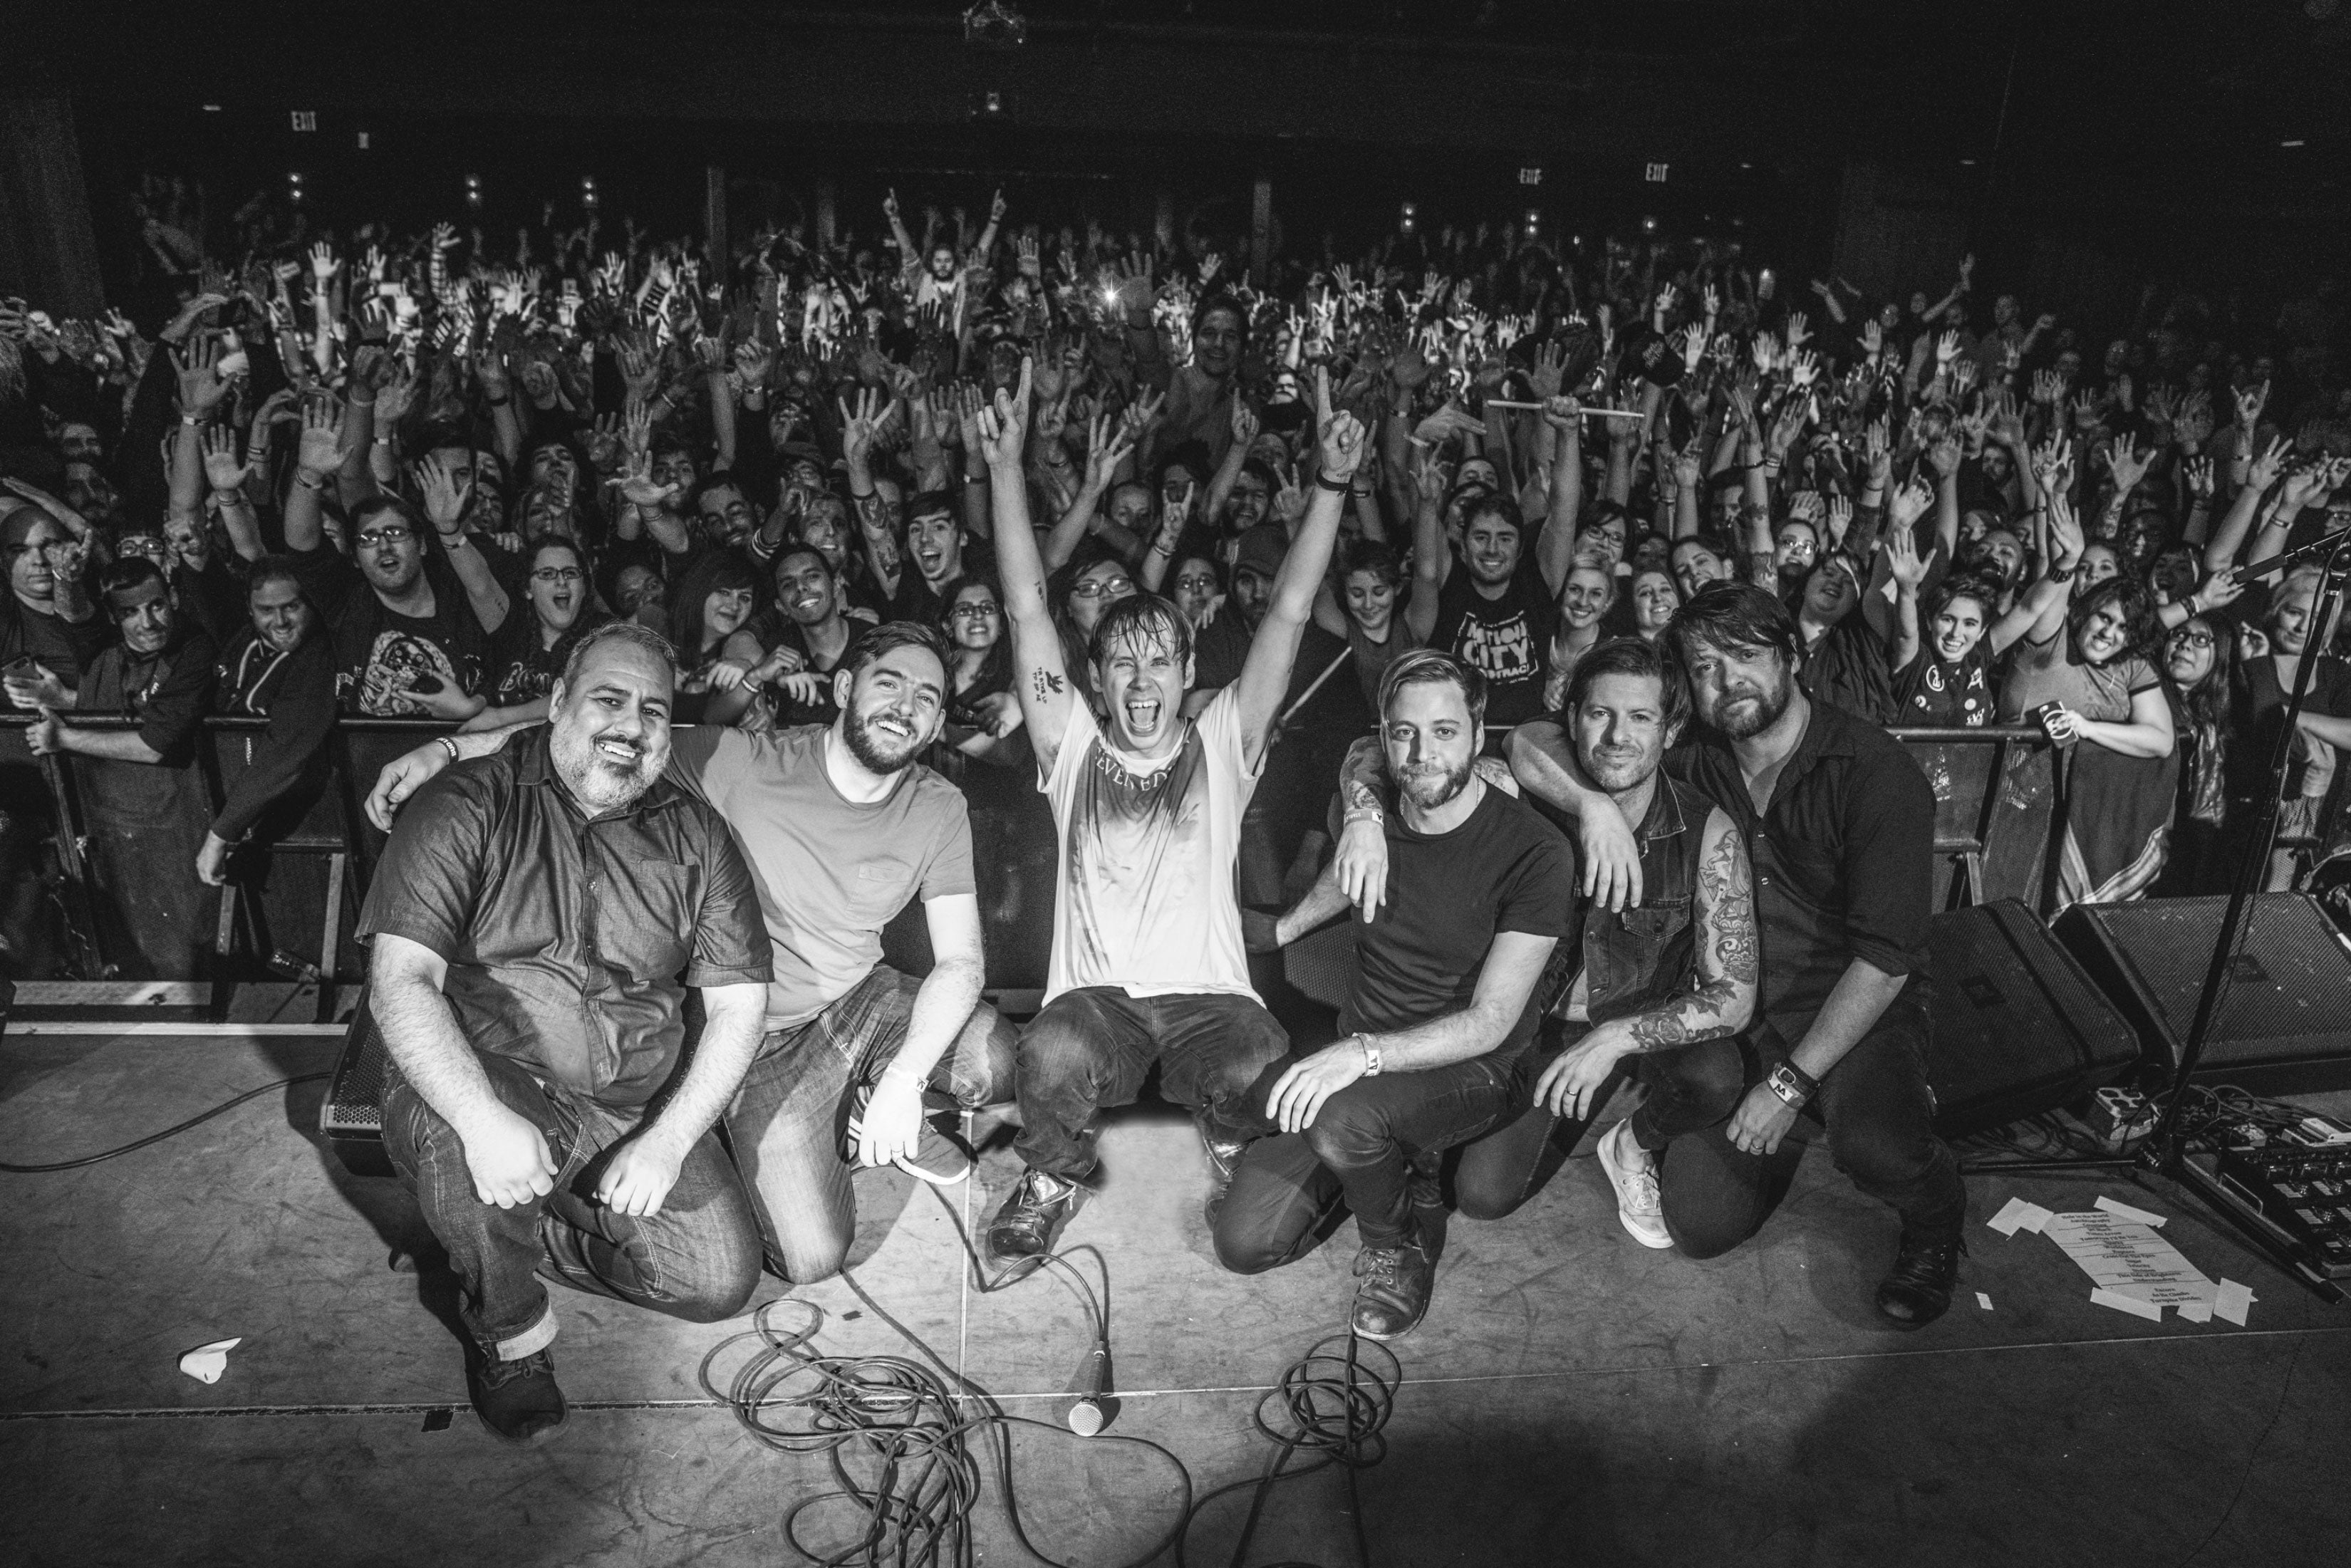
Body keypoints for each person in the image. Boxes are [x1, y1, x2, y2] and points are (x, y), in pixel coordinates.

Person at [370, 621, 1018, 1287]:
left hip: (858, 998)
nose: (905, 706)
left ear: (938, 722)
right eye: (890, 684)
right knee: (811, 1257)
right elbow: (602, 730)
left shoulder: (940, 805)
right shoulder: (736, 760)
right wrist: (447, 750)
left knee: (996, 1058)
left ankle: (865, 1098)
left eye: (926, 698)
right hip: (758, 1031)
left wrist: (906, 1080)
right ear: (846, 687)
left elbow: (961, 961)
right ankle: (540, 1234)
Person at [975, 358, 1361, 1262]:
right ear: (1098, 677)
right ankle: (1055, 1170)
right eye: (1123, 662)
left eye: (1160, 661)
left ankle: (1228, 1132)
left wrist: (1333, 483)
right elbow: (1027, 608)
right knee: (1050, 1051)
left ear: (1189, 671)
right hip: (1098, 1002)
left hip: (1207, 1001)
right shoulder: (1072, 748)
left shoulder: (1222, 743)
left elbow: (1289, 611)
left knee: (1257, 1050)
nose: (1142, 680)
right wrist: (1004, 469)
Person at [1508, 583, 1965, 1329]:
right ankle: (1736, 1127)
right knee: (1700, 1226)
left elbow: (1885, 962)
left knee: (1875, 1145)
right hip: (1738, 1008)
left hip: (1853, 1004)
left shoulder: (1876, 773)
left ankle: (1937, 1220)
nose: (1727, 680)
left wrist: (1789, 1086)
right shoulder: (1698, 752)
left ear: (1792, 655)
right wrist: (1591, 805)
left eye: (1746, 656)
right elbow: (1529, 739)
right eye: (1704, 666)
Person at [360, 621, 774, 1440]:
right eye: (608, 699)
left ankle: (503, 1230)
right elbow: (400, 981)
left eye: (653, 710)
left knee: (719, 1279)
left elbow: (740, 1006)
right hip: (488, 1080)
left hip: (622, 1105)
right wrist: (483, 1119)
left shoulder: (699, 835)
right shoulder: (466, 801)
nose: (632, 725)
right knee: (461, 1133)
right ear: (555, 704)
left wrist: (668, 1140)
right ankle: (508, 1331)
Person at [1212, 650, 1573, 1338]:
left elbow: (1492, 1021)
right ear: (1385, 734)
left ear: (1478, 731)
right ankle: (1387, 1163)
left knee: (1340, 1119)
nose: (1423, 752)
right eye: (1405, 732)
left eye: (1445, 731)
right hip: (1368, 1057)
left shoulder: (1535, 850)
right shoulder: (1373, 818)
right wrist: (1288, 924)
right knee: (1243, 1242)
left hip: (1475, 1066)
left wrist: (1361, 1055)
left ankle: (1395, 1242)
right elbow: (1351, 864)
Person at [24, 558, 218, 976]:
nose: (147, 622)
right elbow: (75, 616)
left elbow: (155, 746)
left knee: (182, 951)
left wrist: (64, 738)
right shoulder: (105, 647)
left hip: (172, 823)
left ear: (173, 598)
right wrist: (65, 578)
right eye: (131, 612)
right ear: (114, 617)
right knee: (123, 948)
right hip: (107, 822)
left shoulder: (194, 650)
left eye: (156, 606)